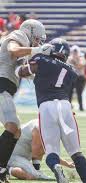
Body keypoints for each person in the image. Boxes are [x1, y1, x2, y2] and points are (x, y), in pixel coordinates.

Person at [16, 38, 86, 183]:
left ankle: (56, 166)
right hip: (64, 106)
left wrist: (22, 65)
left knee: (51, 149)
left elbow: (22, 72)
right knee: (76, 151)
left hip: (46, 107)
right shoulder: (71, 70)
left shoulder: (42, 59)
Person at [0, 19, 51, 182]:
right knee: (13, 126)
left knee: (16, 130)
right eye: (37, 38)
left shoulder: (24, 47)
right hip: (1, 85)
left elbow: (22, 69)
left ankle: (2, 170)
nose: (38, 42)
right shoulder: (19, 35)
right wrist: (36, 49)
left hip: (5, 87)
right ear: (29, 31)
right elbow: (13, 49)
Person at [7, 119, 74, 180]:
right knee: (34, 175)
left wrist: (67, 164)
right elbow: (36, 152)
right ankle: (5, 169)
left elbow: (48, 151)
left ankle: (8, 169)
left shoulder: (45, 125)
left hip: (17, 156)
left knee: (31, 176)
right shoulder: (39, 127)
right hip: (9, 156)